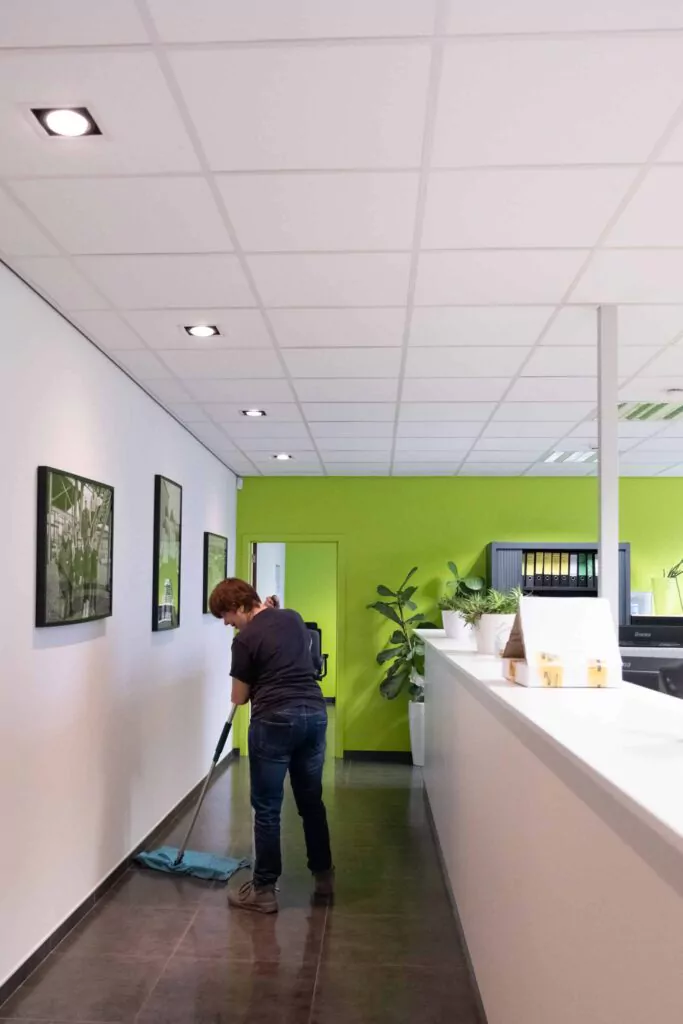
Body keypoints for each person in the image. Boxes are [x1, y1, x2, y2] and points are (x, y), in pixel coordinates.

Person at [209, 577, 334, 914]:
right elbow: (289, 643)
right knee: (311, 801)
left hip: (275, 720)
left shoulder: (244, 640)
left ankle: (263, 889)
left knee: (267, 807)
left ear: (238, 607)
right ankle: (324, 876)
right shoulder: (292, 617)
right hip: (315, 713)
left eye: (225, 615)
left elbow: (240, 697)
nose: (225, 623)